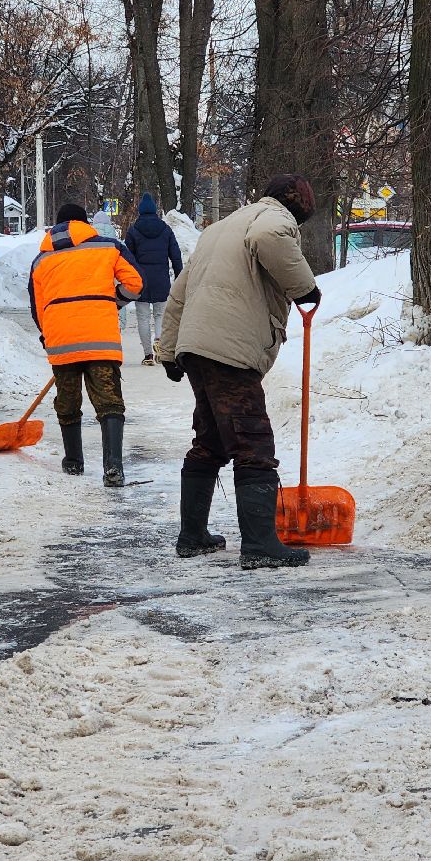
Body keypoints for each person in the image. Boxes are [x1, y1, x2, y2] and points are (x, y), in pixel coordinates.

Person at [157, 174, 321, 568]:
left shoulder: (220, 230)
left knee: (211, 439)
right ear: (289, 198)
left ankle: (192, 536)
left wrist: (168, 349)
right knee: (253, 442)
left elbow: (180, 290)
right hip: (229, 346)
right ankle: (261, 545)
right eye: (305, 203)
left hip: (199, 345)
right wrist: (305, 287)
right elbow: (269, 239)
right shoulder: (272, 218)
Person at [29, 203, 144, 487]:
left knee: (67, 402)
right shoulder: (108, 248)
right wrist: (111, 302)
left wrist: (49, 334)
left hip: (61, 340)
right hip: (101, 338)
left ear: (55, 228)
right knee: (109, 402)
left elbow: (38, 307)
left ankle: (73, 463)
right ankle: (113, 468)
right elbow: (135, 284)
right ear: (85, 223)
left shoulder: (42, 260)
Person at [125, 192, 184, 366]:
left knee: (143, 318)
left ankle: (148, 355)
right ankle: (159, 342)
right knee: (160, 315)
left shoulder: (133, 231)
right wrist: (180, 276)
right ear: (155, 211)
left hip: (140, 282)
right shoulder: (166, 230)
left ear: (140, 212)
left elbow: (128, 258)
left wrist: (128, 279)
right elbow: (176, 255)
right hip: (161, 281)